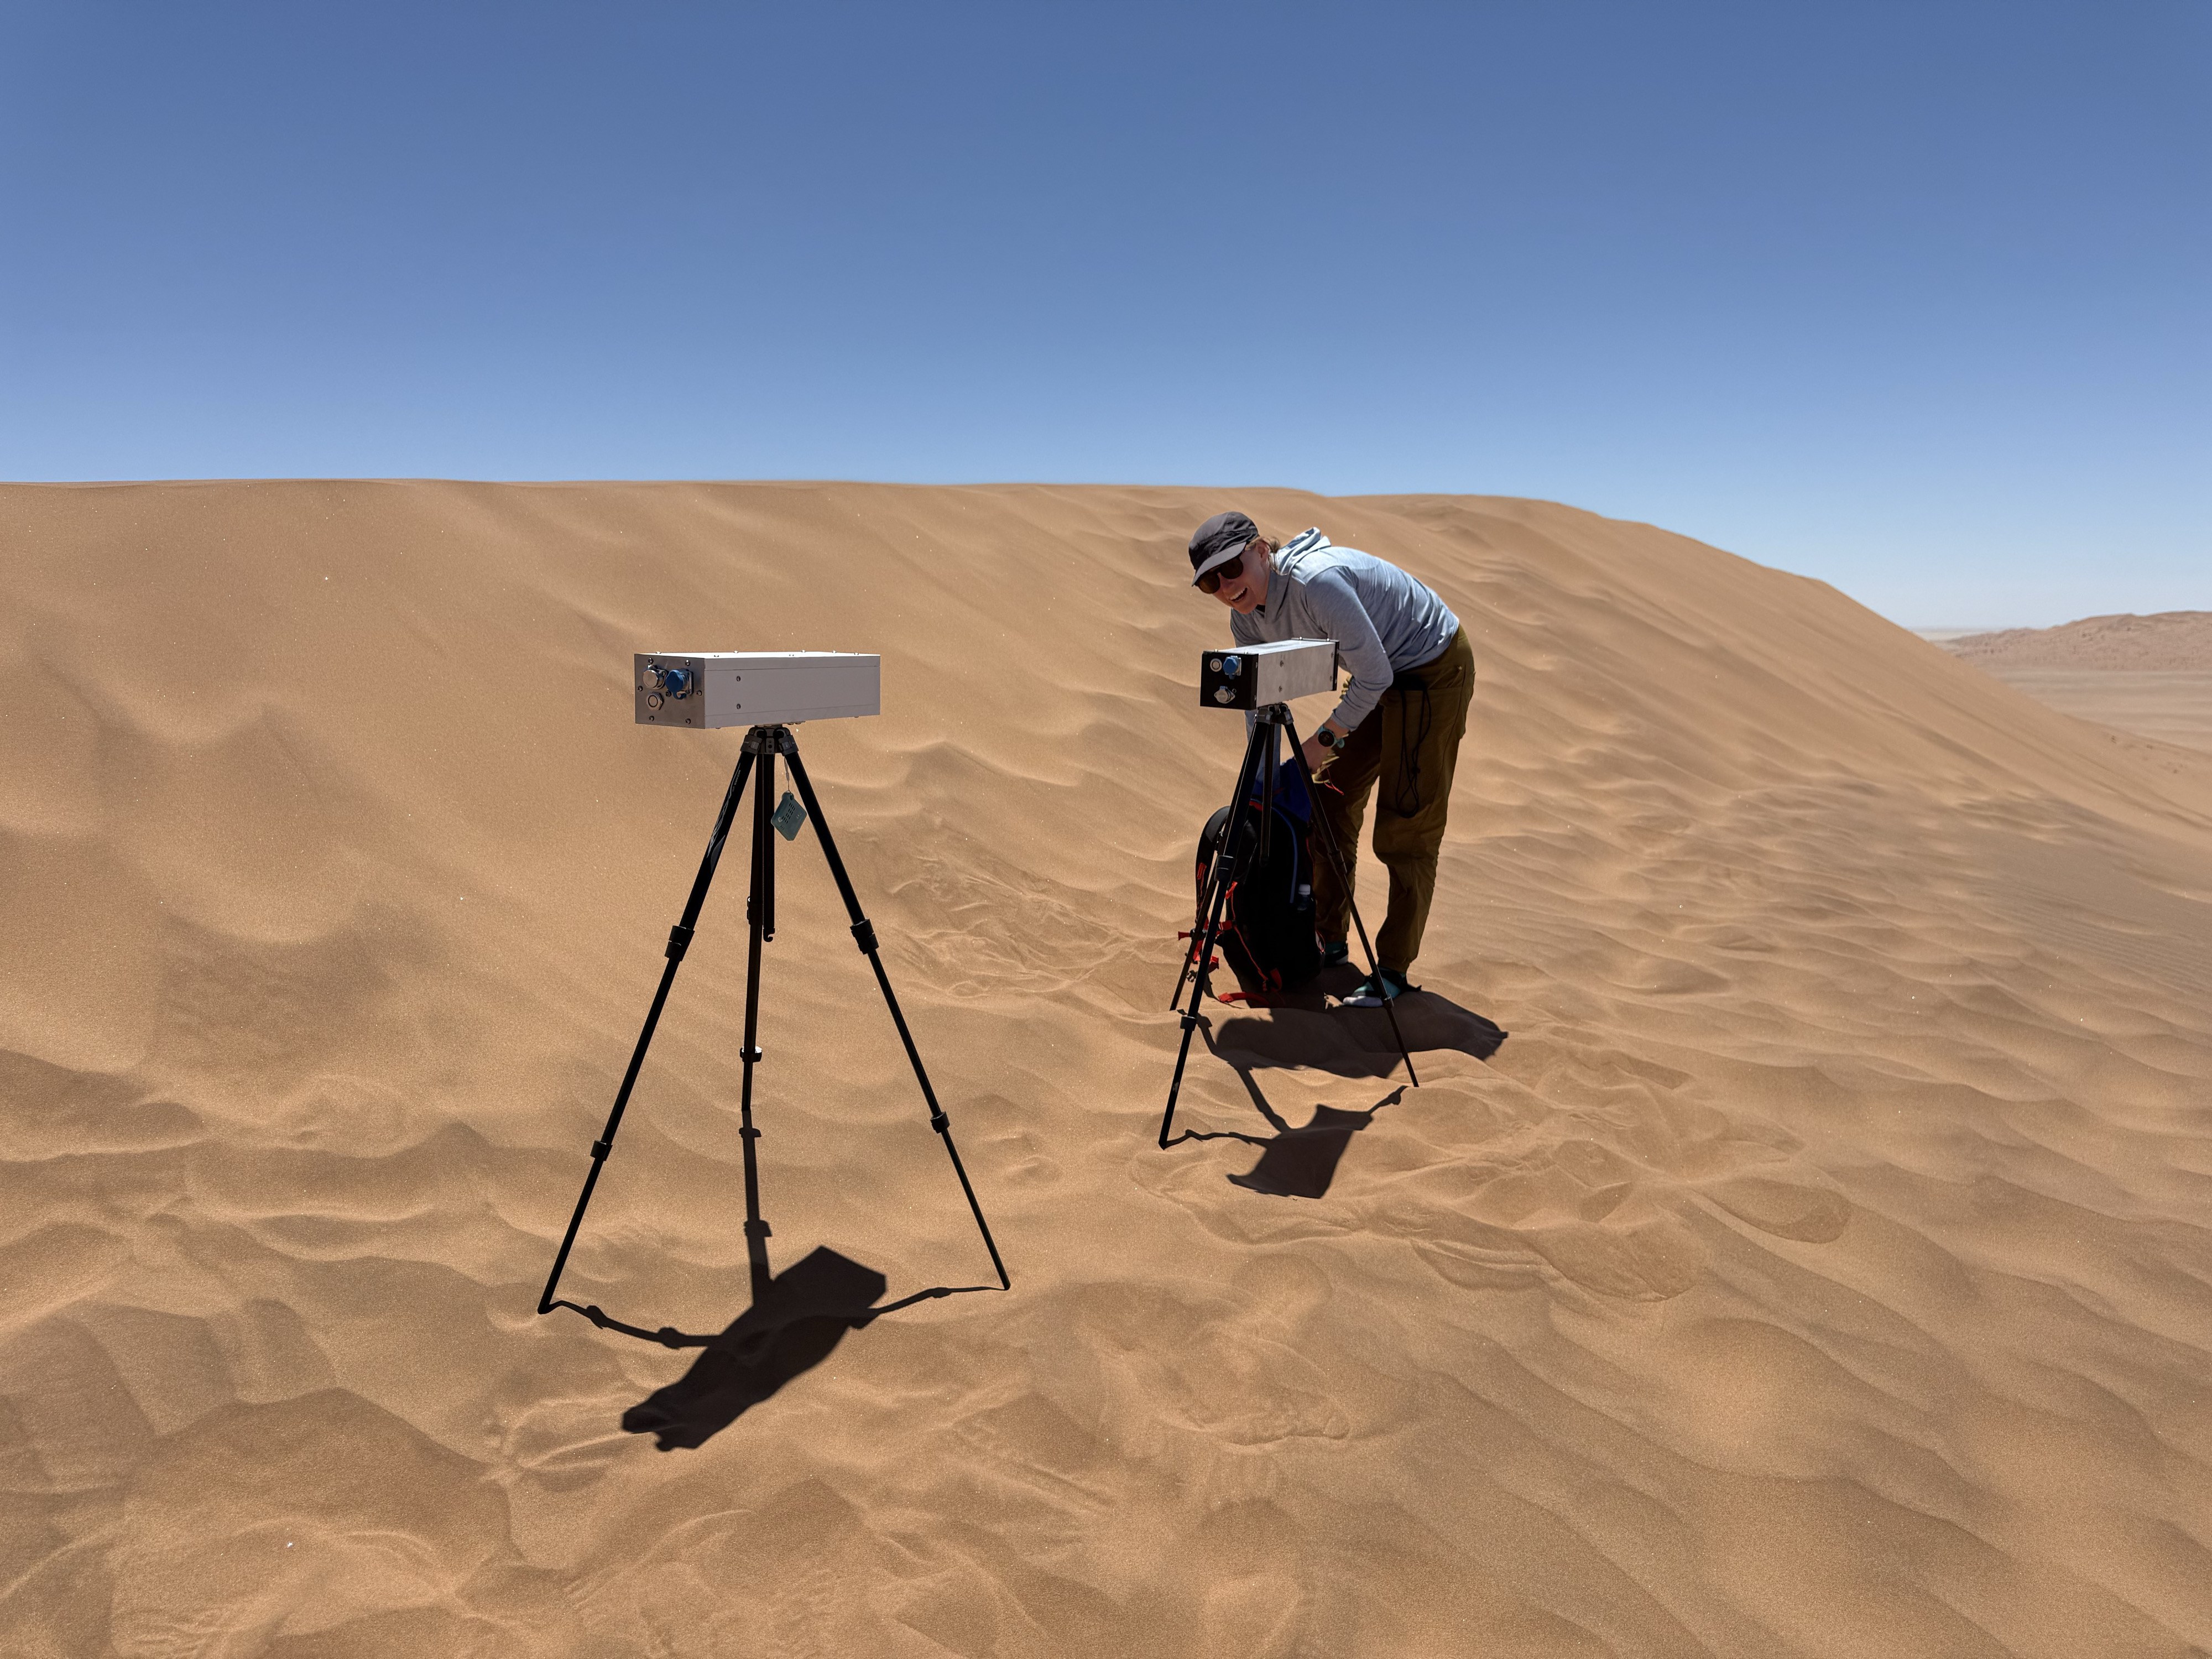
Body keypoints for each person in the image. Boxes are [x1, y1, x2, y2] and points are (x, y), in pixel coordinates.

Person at [1187, 510, 1474, 1004]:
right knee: (1326, 804)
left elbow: (1375, 677)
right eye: (1209, 581)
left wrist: (1319, 744)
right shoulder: (1244, 617)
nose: (1224, 585)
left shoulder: (1315, 584)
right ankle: (1330, 939)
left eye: (1230, 568)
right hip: (1377, 675)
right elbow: (1259, 702)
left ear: (1261, 552)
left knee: (1405, 827)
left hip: (1432, 669)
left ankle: (1394, 971)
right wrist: (1265, 782)